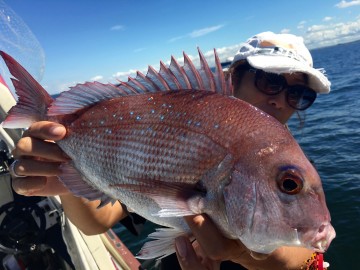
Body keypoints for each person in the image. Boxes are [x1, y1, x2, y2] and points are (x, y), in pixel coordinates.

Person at [7, 31, 331, 270]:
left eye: (300, 94)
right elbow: (98, 221)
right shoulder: (256, 160)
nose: (280, 100)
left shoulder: (289, 164)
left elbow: (307, 257)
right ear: (234, 76)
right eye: (269, 81)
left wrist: (244, 253)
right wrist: (70, 166)